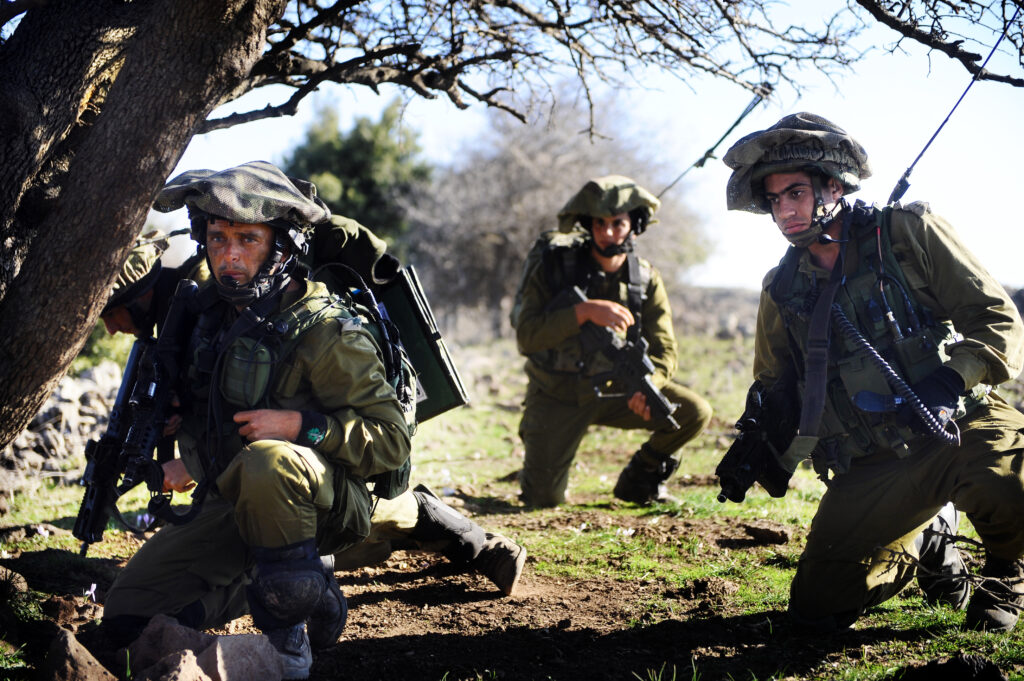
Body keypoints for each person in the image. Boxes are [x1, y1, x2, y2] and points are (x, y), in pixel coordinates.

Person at [97, 188, 526, 667]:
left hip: (319, 488)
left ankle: (298, 627)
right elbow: (221, 411)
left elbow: (390, 442)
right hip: (236, 493)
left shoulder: (326, 330)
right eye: (217, 238)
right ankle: (304, 584)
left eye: (247, 239)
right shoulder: (209, 316)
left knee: (275, 469)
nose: (229, 255)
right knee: (127, 612)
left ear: (280, 247)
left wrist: (301, 425)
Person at [721, 112, 1024, 632]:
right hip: (875, 461)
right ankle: (928, 536)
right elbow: (774, 381)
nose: (785, 210)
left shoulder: (906, 234)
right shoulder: (782, 286)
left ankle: (1004, 572)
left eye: (796, 193)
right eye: (774, 200)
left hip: (962, 425)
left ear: (833, 187)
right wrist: (759, 441)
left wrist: (950, 381)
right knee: (818, 607)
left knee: (1011, 487)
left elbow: (998, 320)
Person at [513, 175, 712, 507]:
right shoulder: (554, 267)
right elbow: (527, 337)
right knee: (543, 499)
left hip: (619, 391)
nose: (607, 233)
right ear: (588, 226)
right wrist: (583, 312)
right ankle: (541, 458)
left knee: (692, 413)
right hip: (558, 393)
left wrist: (647, 387)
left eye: (617, 224)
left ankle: (642, 477)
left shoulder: (645, 279)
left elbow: (665, 350)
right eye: (600, 224)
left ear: (634, 226)